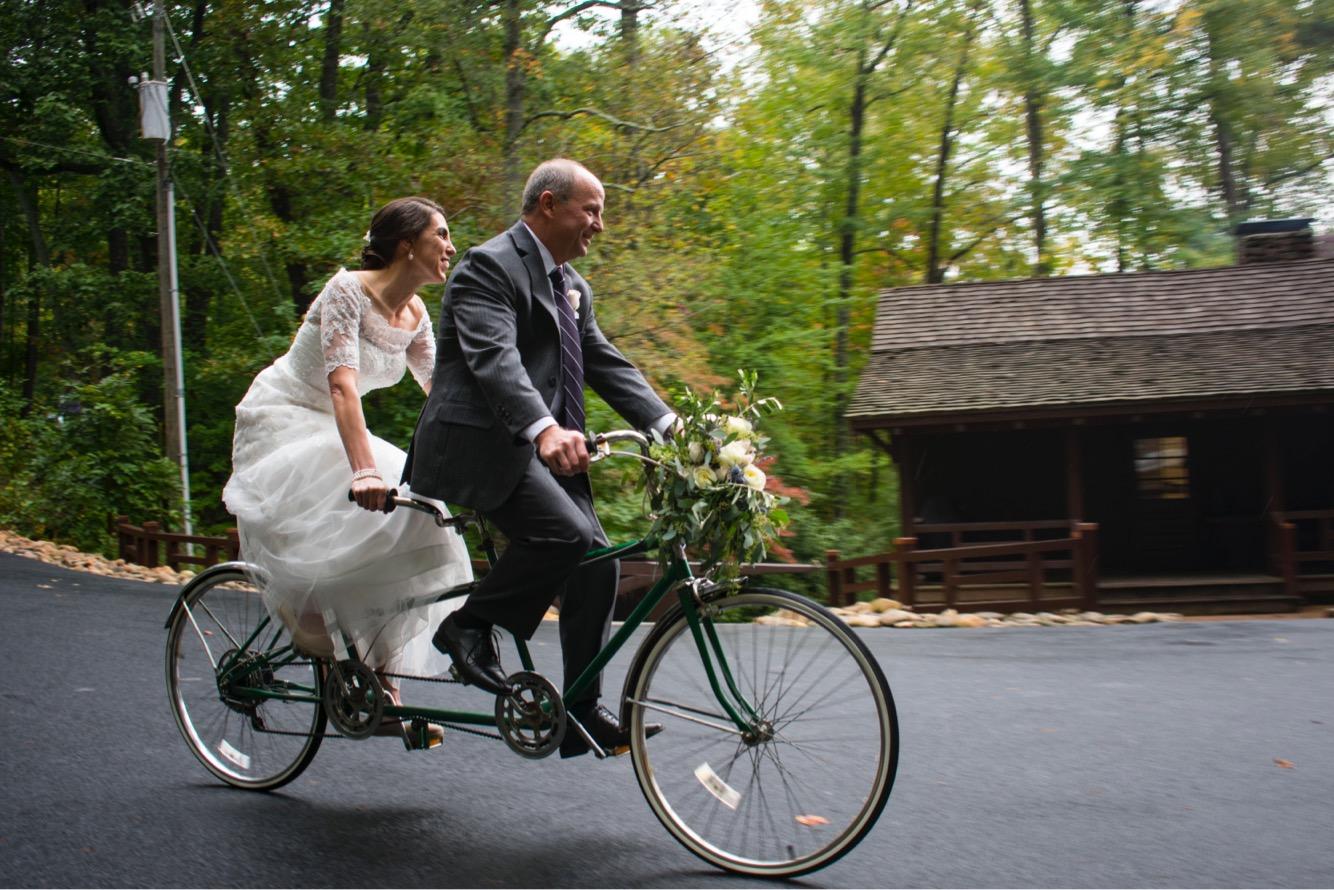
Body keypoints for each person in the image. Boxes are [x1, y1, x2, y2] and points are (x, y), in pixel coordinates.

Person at [404, 159, 672, 758]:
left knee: (597, 560)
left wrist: (672, 426)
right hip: (480, 445)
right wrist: (545, 428)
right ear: (549, 204)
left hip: (541, 450)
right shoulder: (487, 266)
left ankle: (579, 712)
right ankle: (466, 627)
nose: (598, 224)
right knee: (568, 538)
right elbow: (494, 359)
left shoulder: (573, 286)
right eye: (592, 210)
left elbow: (605, 363)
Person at [222, 197, 474, 747]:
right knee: (366, 500)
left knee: (420, 515)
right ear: (408, 245)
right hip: (289, 420)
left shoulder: (416, 316)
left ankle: (378, 683)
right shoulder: (347, 291)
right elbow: (341, 385)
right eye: (443, 235)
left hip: (335, 427)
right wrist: (364, 471)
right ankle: (352, 672)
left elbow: (443, 395)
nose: (452, 247)